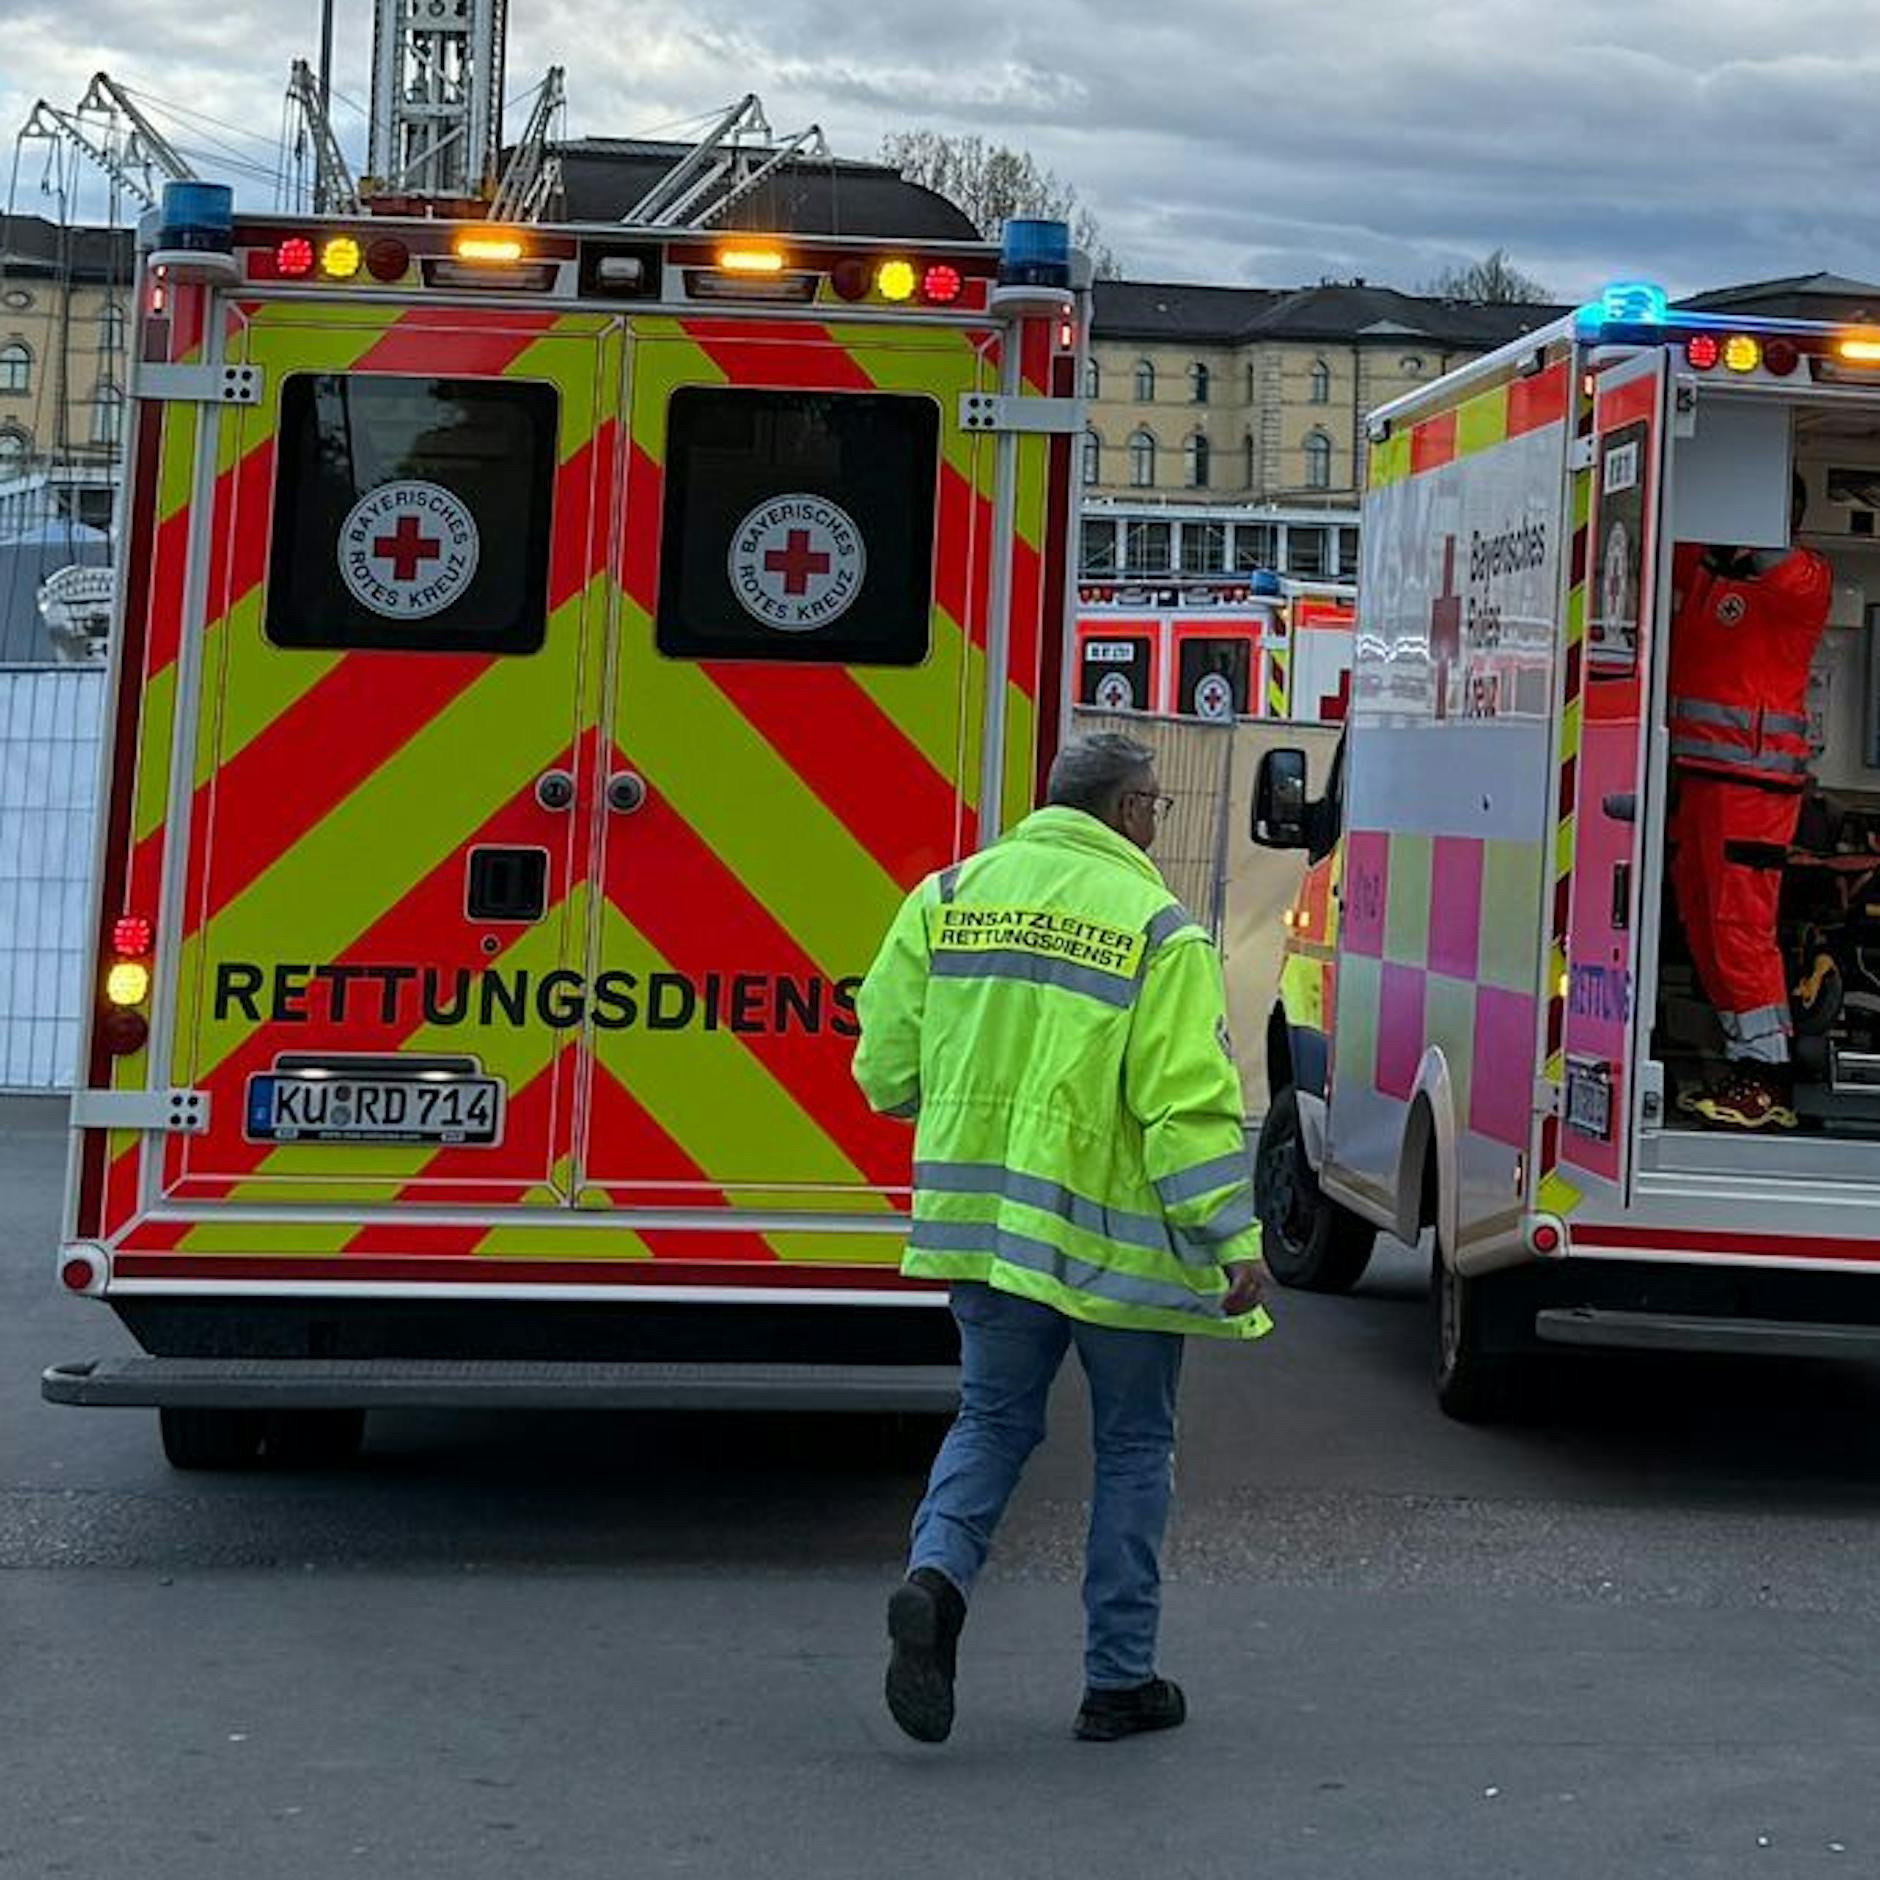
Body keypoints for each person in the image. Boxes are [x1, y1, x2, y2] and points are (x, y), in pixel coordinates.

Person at [852, 732, 1271, 1746]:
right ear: (1128, 810)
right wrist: (1232, 1240)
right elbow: (1185, 1111)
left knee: (990, 1422)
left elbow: (884, 1070)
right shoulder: (1159, 932)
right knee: (1132, 1446)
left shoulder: (946, 898)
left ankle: (936, 1581)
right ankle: (1116, 1679)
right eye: (1155, 807)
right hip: (1114, 1249)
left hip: (986, 1232)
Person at [1668, 472, 1833, 1129]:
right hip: (1701, 780)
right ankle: (1743, 1062)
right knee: (1702, 919)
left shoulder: (1804, 582)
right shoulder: (1709, 572)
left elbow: (1777, 565)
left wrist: (1745, 494)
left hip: (1755, 790)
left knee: (1739, 926)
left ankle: (1767, 1076)